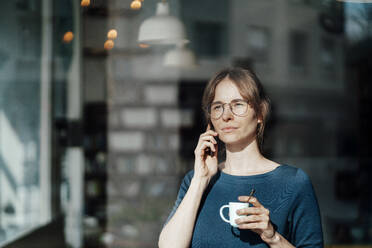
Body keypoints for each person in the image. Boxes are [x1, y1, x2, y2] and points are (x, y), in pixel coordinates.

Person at [158, 67, 323, 248]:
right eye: (218, 107)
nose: (226, 116)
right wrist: (201, 179)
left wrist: (273, 237)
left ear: (260, 113)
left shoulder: (293, 183)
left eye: (238, 104)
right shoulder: (196, 181)